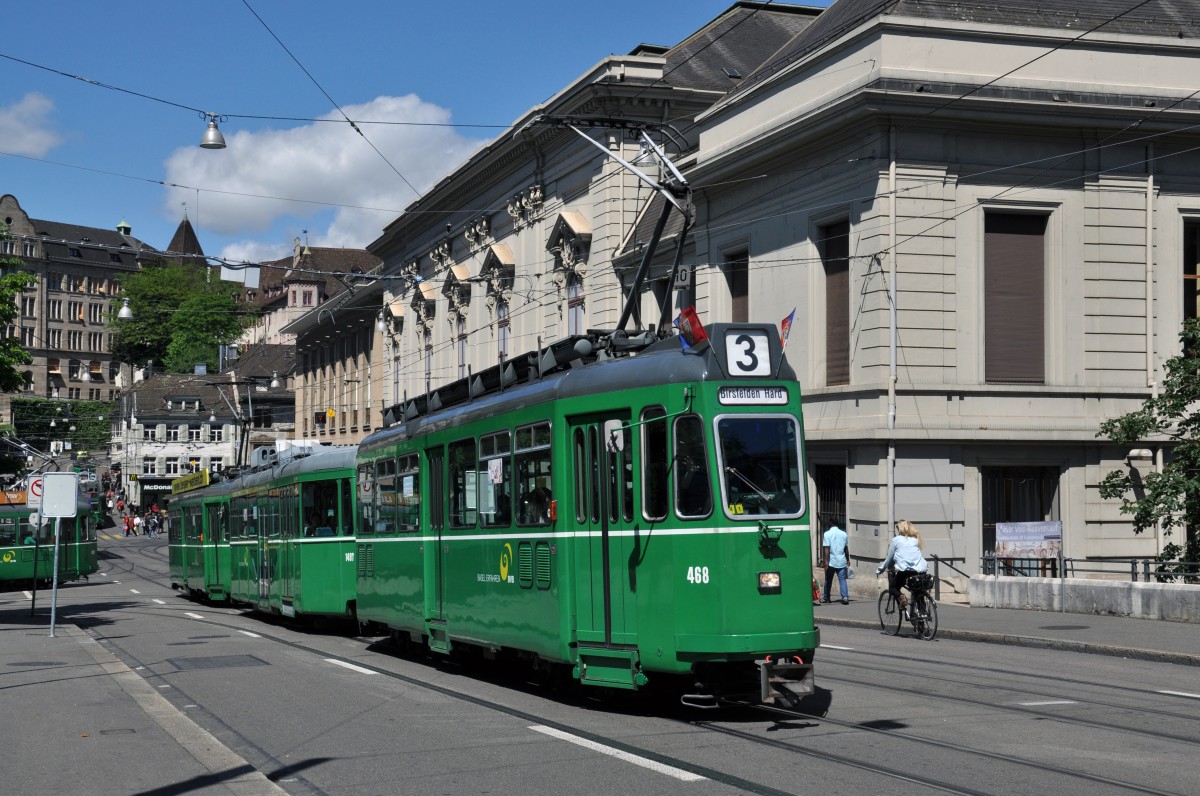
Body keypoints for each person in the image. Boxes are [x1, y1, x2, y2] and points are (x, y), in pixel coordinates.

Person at [876, 519, 928, 616]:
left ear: (899, 529)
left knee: (892, 587)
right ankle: (922, 617)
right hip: (920, 571)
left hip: (906, 571)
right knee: (918, 592)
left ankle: (902, 597)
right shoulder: (915, 540)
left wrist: (880, 569)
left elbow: (889, 558)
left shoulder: (896, 540)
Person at [820, 522, 850, 604]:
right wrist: (848, 559)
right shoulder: (844, 534)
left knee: (828, 580)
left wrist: (826, 562)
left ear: (830, 525)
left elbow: (827, 549)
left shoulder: (827, 534)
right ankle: (845, 597)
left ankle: (826, 598)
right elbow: (846, 548)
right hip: (841, 561)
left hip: (831, 562)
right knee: (842, 580)